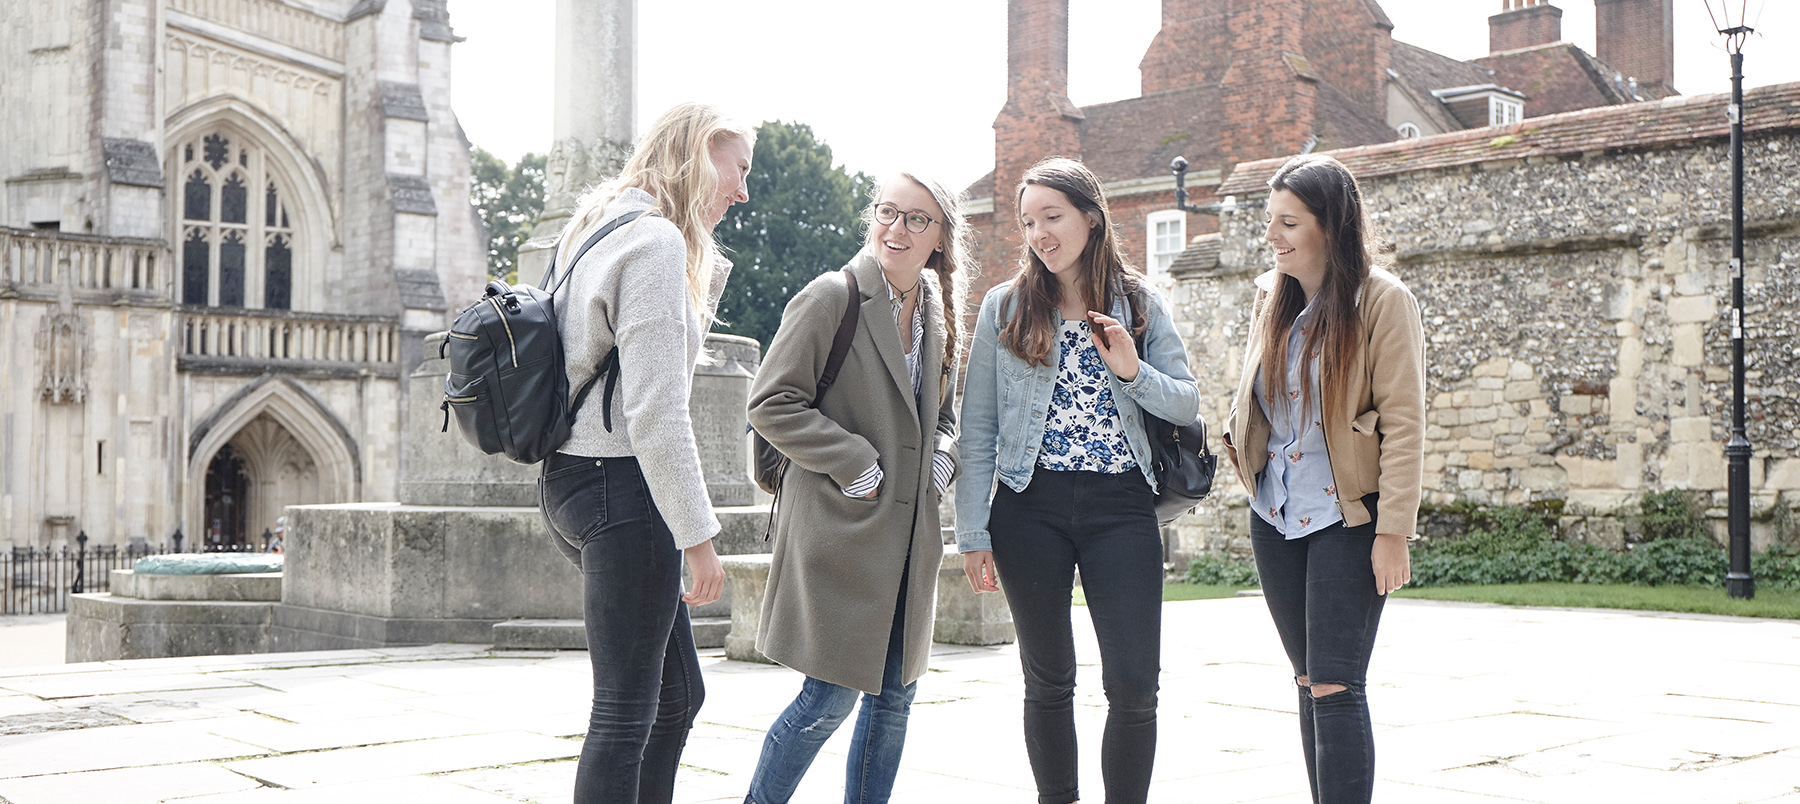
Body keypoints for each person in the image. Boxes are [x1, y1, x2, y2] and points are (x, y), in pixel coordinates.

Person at [956, 156, 1200, 804]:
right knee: (1048, 679)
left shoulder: (1139, 303)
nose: (1039, 233)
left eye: (1052, 217)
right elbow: (976, 427)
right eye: (1028, 220)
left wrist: (1132, 371)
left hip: (1121, 506)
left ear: (1090, 218)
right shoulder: (1004, 307)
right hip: (1027, 508)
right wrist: (971, 533)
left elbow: (1186, 403)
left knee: (1133, 684)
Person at [535, 102, 754, 804]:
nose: (743, 190)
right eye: (738, 168)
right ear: (697, 153)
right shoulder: (654, 243)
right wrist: (700, 539)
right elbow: (657, 412)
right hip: (622, 489)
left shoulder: (597, 226)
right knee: (626, 714)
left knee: (676, 698)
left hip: (572, 482)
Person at [742, 171, 971, 804]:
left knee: (895, 701)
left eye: (916, 219)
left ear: (941, 239)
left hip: (909, 543)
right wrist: (852, 460)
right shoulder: (831, 296)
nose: (896, 229)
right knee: (827, 699)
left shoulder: (936, 311)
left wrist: (944, 454)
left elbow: (946, 416)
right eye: (887, 212)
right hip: (840, 532)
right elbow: (770, 402)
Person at [1223, 153, 1425, 804]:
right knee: (1309, 680)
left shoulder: (1384, 301)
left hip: (1350, 515)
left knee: (1338, 683)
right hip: (1275, 516)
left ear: (1330, 227)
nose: (1271, 234)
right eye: (1269, 220)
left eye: (1288, 221)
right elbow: (1259, 401)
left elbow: (1405, 423)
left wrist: (1394, 533)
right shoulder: (1271, 298)